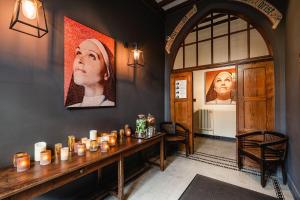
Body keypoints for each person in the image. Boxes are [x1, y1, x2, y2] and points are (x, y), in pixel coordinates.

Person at [65, 39, 115, 107]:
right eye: (78, 53)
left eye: (91, 55)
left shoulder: (111, 105)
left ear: (106, 74)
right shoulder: (72, 107)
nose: (79, 60)